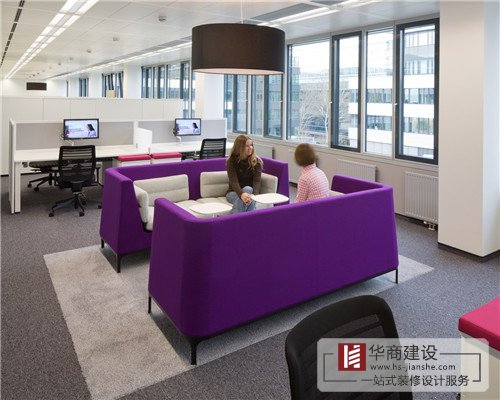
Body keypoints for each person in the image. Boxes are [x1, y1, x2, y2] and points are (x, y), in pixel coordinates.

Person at [226, 135, 262, 214]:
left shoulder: (257, 161)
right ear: (239, 148)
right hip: (233, 193)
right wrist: (242, 194)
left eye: (251, 145)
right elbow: (233, 182)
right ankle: (248, 220)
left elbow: (257, 181)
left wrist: (254, 195)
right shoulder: (231, 161)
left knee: (248, 191)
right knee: (248, 191)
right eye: (247, 146)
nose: (250, 148)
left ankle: (231, 218)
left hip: (250, 193)